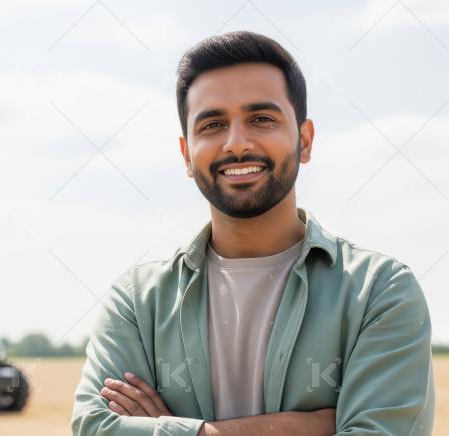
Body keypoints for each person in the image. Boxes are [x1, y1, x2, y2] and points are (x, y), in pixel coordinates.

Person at [71, 30, 435, 435]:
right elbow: (95, 428)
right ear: (186, 154)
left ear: (305, 139)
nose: (236, 143)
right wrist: (300, 428)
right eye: (212, 124)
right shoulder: (138, 303)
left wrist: (165, 429)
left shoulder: (379, 293)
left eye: (261, 119)